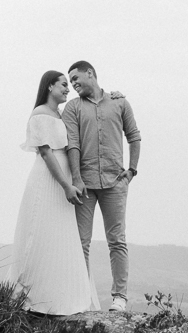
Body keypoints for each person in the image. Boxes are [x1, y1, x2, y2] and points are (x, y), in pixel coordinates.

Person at [7, 70, 100, 315]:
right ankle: (32, 295)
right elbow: (47, 153)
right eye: (63, 84)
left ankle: (57, 295)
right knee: (41, 231)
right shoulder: (40, 114)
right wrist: (65, 185)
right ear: (49, 86)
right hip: (49, 179)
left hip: (64, 178)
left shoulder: (60, 114)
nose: (68, 89)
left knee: (59, 235)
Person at [63, 60, 141, 312]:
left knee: (116, 240)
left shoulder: (120, 102)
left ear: (90, 73)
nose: (73, 84)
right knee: (81, 242)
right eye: (70, 81)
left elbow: (134, 136)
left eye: (76, 78)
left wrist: (132, 171)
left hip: (115, 183)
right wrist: (76, 178)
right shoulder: (73, 107)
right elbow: (72, 144)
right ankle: (82, 295)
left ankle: (120, 297)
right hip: (85, 184)